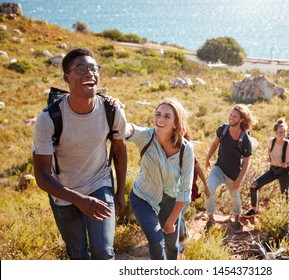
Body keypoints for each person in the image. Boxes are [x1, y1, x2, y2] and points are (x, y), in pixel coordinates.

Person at [32, 48, 128, 260]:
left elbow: (119, 150)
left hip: (98, 183)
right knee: (78, 254)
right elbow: (42, 176)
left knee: (104, 253)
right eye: (81, 69)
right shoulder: (49, 119)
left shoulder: (111, 110)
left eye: (93, 68)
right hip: (63, 191)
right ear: (67, 77)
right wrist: (79, 200)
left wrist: (119, 191)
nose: (89, 73)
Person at [126, 97, 194, 260]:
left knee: (171, 246)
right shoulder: (146, 136)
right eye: (158, 114)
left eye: (167, 116)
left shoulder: (186, 150)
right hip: (143, 197)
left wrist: (171, 221)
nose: (160, 119)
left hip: (170, 200)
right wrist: (118, 112)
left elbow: (185, 191)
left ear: (176, 123)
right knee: (157, 241)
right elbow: (128, 129)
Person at [205, 104, 254, 233]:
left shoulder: (245, 139)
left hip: (233, 174)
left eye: (234, 116)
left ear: (241, 120)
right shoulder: (223, 130)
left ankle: (237, 221)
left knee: (235, 199)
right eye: (231, 115)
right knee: (208, 189)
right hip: (219, 168)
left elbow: (246, 162)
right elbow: (215, 143)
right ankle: (210, 220)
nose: (231, 118)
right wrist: (208, 158)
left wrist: (238, 180)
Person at [244, 117, 289, 217]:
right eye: (280, 132)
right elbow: (269, 149)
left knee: (285, 196)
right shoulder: (272, 141)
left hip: (284, 172)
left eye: (284, 132)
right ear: (275, 132)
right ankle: (254, 210)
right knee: (253, 185)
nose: (283, 134)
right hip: (273, 170)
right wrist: (269, 157)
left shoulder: (288, 144)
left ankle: (287, 217)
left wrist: (288, 164)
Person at [178, 130, 209, 247]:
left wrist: (206, 186)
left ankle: (180, 240)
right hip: (173, 191)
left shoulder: (187, 151)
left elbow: (199, 169)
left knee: (177, 214)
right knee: (176, 214)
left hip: (187, 191)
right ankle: (184, 234)